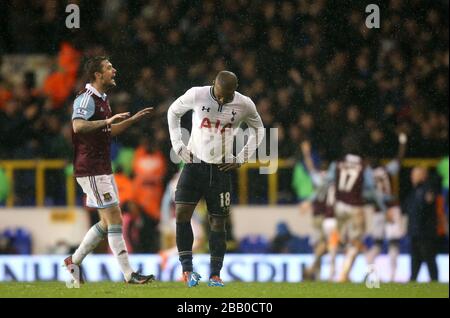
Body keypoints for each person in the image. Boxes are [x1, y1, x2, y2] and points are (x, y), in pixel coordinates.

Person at [167, 71, 265, 287]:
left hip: (221, 168)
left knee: (218, 222)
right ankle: (187, 270)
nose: (222, 99)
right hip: (194, 165)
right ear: (213, 85)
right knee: (182, 214)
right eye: (220, 95)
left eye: (227, 96)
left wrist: (241, 159)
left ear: (235, 90)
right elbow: (173, 112)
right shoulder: (197, 94)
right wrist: (177, 143)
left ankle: (215, 275)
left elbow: (259, 130)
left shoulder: (244, 104)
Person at [64, 56, 154, 284]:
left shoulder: (102, 100)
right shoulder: (86, 99)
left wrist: (131, 120)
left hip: (102, 168)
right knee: (115, 218)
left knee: (106, 223)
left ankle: (73, 261)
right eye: (108, 67)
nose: (114, 70)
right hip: (91, 168)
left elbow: (108, 132)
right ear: (97, 74)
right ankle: (128, 274)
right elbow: (78, 125)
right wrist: (107, 122)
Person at [365, 133, 408, 282]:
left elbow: (369, 195)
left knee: (376, 245)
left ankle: (372, 278)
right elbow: (399, 159)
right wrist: (403, 142)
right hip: (392, 208)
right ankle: (393, 277)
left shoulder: (367, 175)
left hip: (378, 210)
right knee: (393, 243)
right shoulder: (386, 170)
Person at [403, 166, 439, 282]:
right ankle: (413, 280)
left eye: (415, 174)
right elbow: (407, 208)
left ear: (423, 176)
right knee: (415, 259)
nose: (412, 177)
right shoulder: (413, 191)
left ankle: (434, 281)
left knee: (429, 258)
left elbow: (426, 205)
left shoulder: (428, 188)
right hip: (415, 231)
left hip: (425, 231)